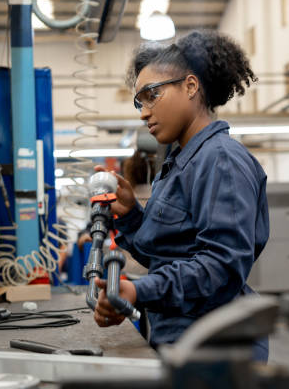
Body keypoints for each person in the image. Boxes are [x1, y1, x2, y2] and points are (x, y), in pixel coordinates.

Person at [92, 30, 270, 362]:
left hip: (217, 350)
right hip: (181, 341)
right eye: (139, 102)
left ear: (190, 86)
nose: (143, 112)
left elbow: (221, 267)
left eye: (152, 95)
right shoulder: (176, 165)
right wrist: (131, 214)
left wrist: (140, 291)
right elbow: (169, 256)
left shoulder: (220, 160)